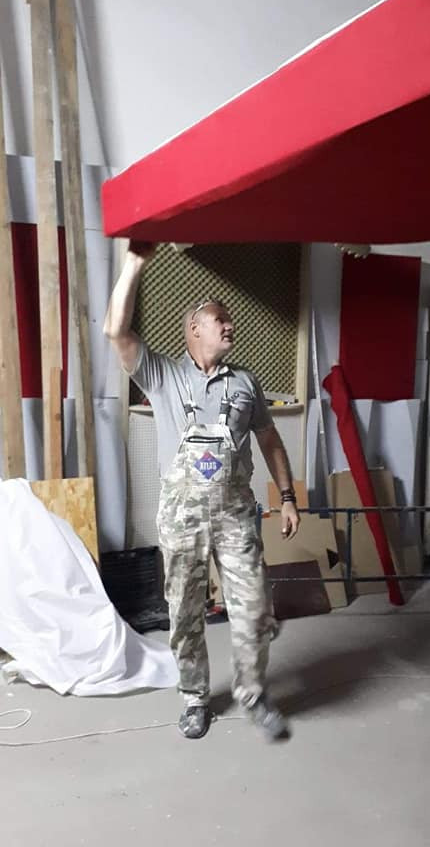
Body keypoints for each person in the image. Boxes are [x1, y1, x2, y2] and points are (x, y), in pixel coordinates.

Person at [103, 241, 300, 740]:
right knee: (185, 614)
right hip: (182, 519)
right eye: (220, 319)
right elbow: (116, 330)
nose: (230, 325)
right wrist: (135, 263)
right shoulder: (163, 375)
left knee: (254, 608)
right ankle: (194, 697)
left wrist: (288, 497)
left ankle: (253, 693)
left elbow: (270, 441)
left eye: (229, 320)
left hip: (236, 516)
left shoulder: (246, 384)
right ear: (194, 328)